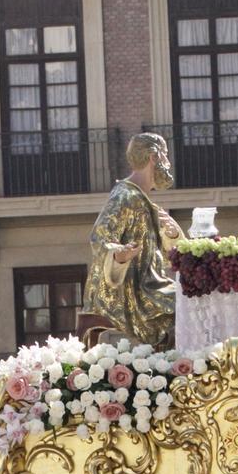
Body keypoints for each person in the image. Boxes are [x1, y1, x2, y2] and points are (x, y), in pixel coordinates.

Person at [86, 131, 182, 348]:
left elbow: (166, 256)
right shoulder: (125, 196)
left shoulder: (142, 200)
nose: (168, 162)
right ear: (154, 157)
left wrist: (172, 233)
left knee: (189, 300)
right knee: (186, 305)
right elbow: (98, 238)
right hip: (131, 289)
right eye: (165, 155)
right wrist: (120, 255)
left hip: (149, 282)